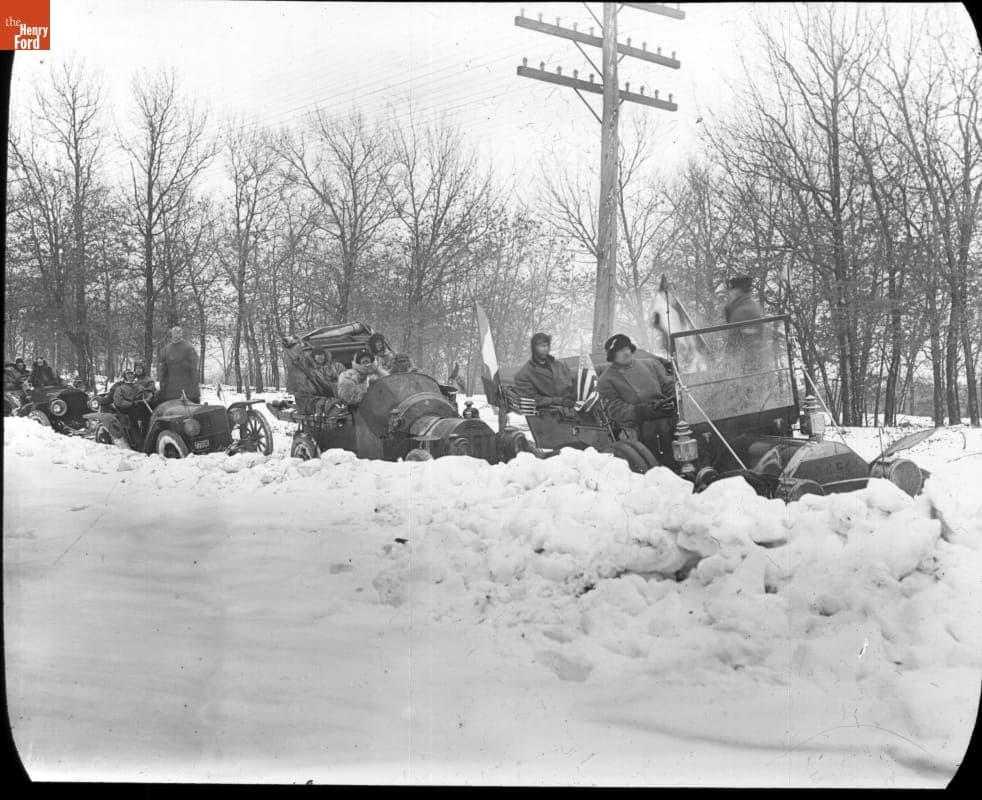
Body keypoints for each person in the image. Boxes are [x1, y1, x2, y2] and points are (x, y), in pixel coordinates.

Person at [597, 333, 678, 468]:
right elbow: (617, 411)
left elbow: (668, 386)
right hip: (640, 425)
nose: (627, 352)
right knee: (657, 429)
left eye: (628, 348)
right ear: (612, 355)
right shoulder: (606, 380)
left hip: (667, 413)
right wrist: (645, 410)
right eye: (621, 350)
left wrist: (675, 399)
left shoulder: (650, 364)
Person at [513, 332, 577, 410]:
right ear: (534, 348)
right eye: (542, 346)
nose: (546, 348)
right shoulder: (524, 374)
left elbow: (572, 383)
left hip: (573, 405)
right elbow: (532, 399)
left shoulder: (560, 365)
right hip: (550, 412)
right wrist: (556, 401)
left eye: (547, 345)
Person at [723, 276, 767, 371]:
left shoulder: (745, 311)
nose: (730, 293)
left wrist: (731, 364)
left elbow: (743, 343)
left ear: (738, 291)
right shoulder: (747, 306)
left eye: (732, 290)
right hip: (749, 365)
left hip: (746, 367)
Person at [294, 346, 343, 415]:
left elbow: (346, 379)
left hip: (340, 393)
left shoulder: (336, 366)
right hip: (324, 396)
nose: (320, 357)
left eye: (322, 354)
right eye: (318, 355)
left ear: (325, 355)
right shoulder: (311, 371)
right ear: (314, 356)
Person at [158, 325, 200, 403]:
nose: (176, 335)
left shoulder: (189, 348)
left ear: (181, 334)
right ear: (171, 334)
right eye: (174, 333)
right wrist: (162, 387)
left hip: (185, 388)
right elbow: (163, 370)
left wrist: (193, 390)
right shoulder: (166, 349)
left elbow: (193, 370)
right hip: (170, 389)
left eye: (178, 332)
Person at [113, 368, 154, 440]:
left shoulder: (138, 386)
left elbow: (147, 393)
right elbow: (119, 402)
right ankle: (137, 440)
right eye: (128, 374)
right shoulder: (120, 388)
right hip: (126, 409)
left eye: (131, 374)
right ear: (125, 376)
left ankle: (149, 435)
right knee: (134, 417)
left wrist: (149, 397)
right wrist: (131, 403)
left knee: (150, 414)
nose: (130, 376)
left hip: (138, 406)